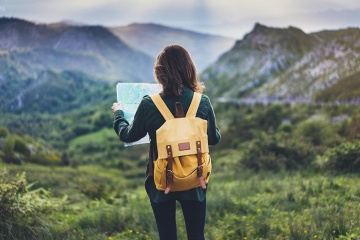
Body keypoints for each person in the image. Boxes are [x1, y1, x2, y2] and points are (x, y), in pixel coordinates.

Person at [111, 45, 221, 240]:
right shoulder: (202, 102)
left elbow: (127, 135)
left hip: (161, 182)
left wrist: (119, 114)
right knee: (196, 235)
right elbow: (214, 139)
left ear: (161, 72)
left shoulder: (149, 104)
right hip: (196, 179)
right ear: (189, 69)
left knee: (167, 236)